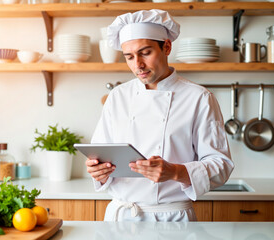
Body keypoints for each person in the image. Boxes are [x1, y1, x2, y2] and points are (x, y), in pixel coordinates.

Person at [85, 9, 234, 222]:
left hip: (172, 219)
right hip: (120, 218)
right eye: (129, 57)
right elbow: (100, 154)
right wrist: (97, 170)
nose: (138, 65)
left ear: (166, 46)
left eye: (145, 53)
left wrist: (175, 172)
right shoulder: (118, 96)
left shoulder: (199, 98)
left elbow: (221, 165)